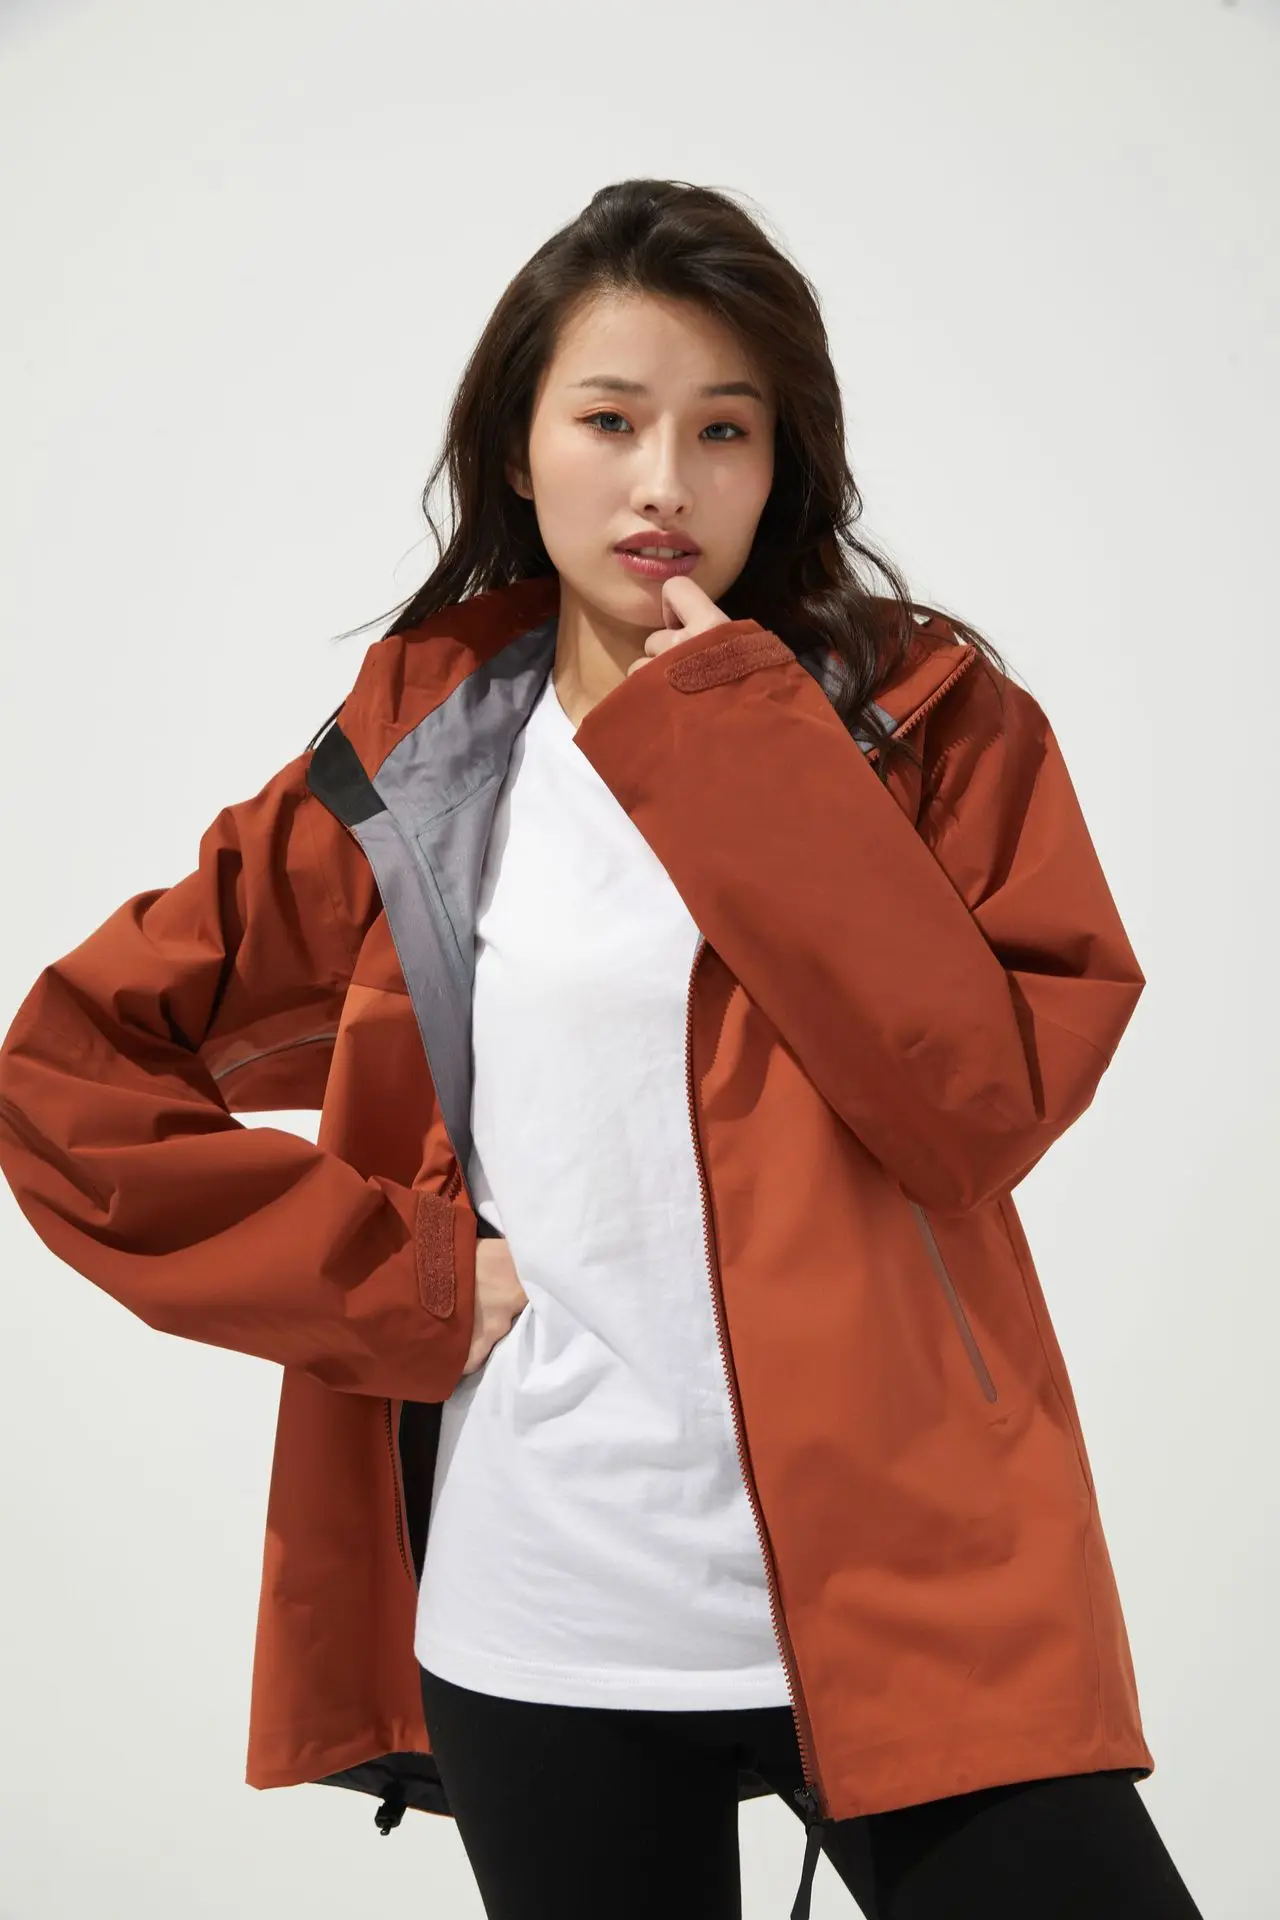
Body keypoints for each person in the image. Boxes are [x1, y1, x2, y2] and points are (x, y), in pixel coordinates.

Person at [0, 178, 1203, 1920]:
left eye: (724, 428)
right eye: (612, 420)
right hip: (547, 1613)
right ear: (519, 447)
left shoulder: (930, 726)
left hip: (919, 1586)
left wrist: (745, 744)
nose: (666, 484)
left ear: (783, 461)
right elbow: (68, 1076)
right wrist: (401, 1280)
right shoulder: (416, 767)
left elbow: (973, 1116)